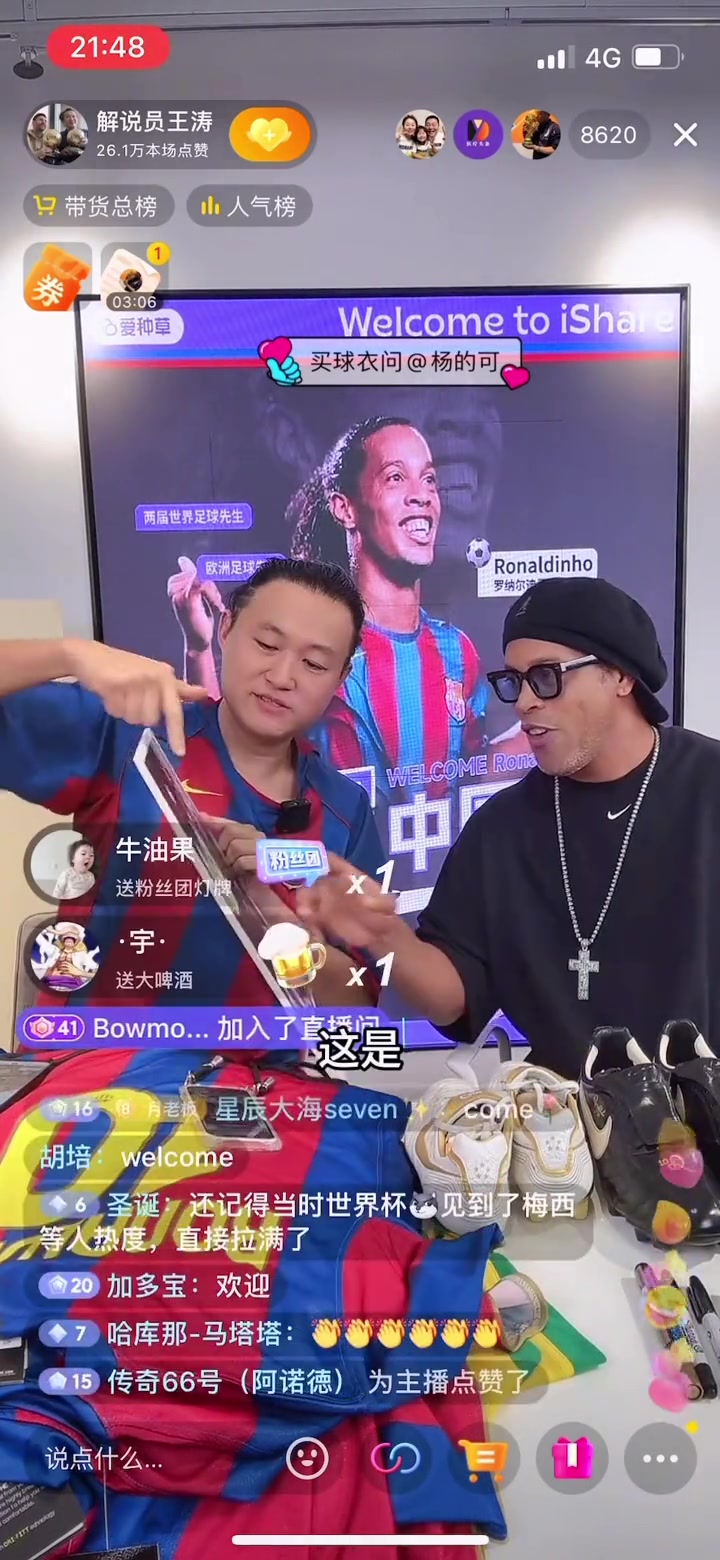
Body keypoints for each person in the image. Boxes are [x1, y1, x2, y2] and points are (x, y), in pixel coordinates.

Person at [294, 576, 720, 1076]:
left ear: (620, 675)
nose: (523, 703)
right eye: (515, 681)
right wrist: (384, 934)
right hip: (558, 1119)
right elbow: (453, 1000)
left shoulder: (707, 787)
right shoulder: (500, 830)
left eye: (546, 677)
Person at [0, 558, 385, 1009]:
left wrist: (269, 912)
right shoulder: (128, 732)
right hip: (102, 1046)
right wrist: (72, 655)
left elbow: (357, 1000)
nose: (282, 677)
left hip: (260, 1055)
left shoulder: (345, 810)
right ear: (226, 629)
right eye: (266, 644)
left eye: (314, 664)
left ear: (341, 678)